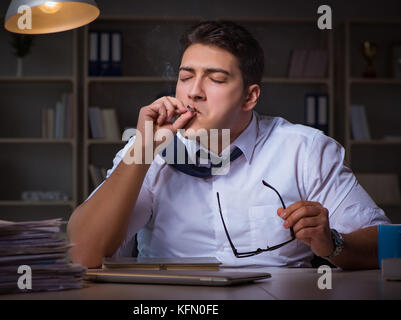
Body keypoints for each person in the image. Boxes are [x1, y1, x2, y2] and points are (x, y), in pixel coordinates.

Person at [67, 21, 390, 270]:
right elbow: (82, 253)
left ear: (250, 96)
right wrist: (141, 152)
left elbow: (387, 246)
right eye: (185, 77)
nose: (193, 92)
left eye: (216, 79)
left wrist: (331, 241)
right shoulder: (146, 149)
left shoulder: (304, 150)